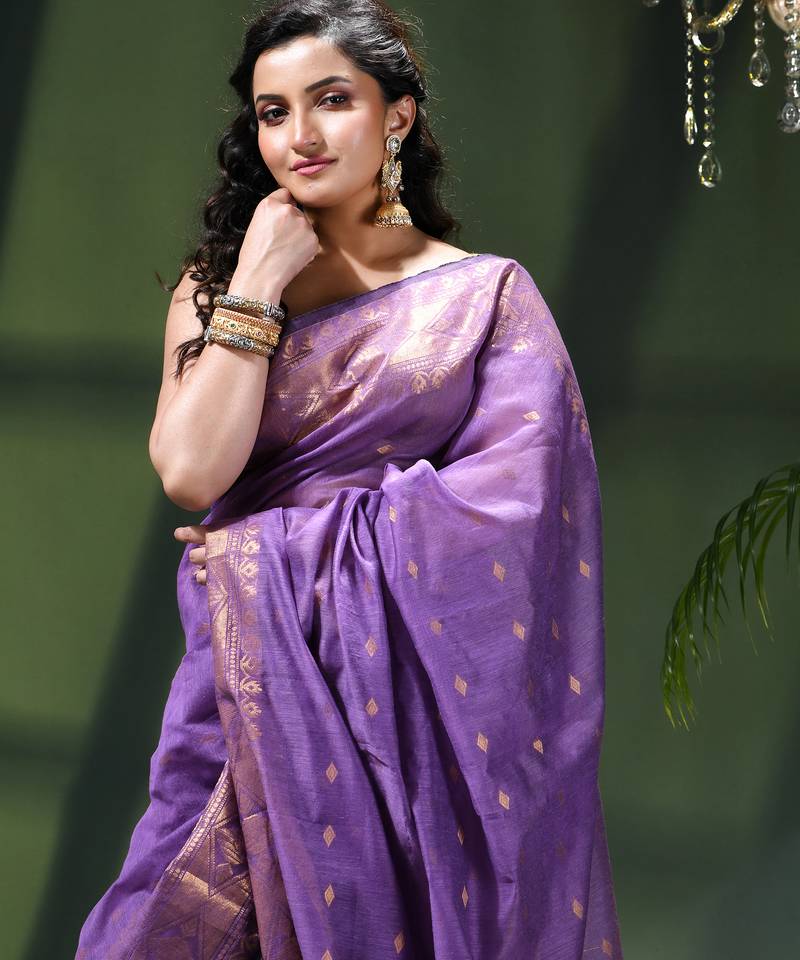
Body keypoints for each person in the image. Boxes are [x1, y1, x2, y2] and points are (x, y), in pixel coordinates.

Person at [75, 1, 624, 957]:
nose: (301, 135)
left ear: (397, 115)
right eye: (273, 111)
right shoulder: (217, 285)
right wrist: (258, 279)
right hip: (240, 683)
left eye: (332, 100)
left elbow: (514, 524)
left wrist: (266, 550)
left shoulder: (487, 298)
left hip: (417, 724)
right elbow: (193, 470)